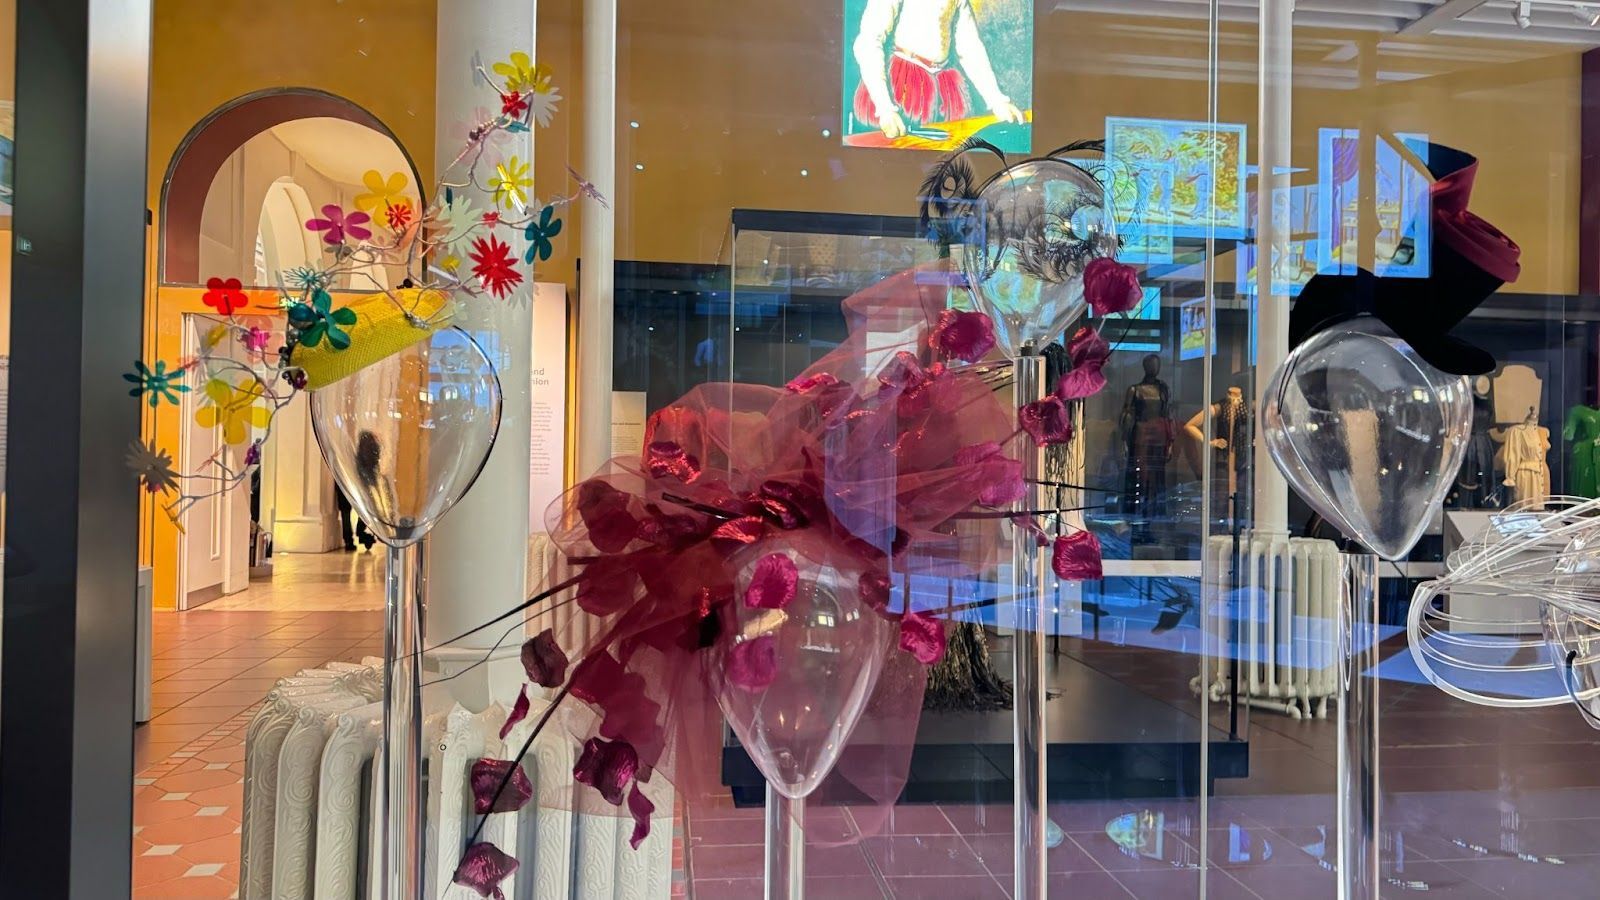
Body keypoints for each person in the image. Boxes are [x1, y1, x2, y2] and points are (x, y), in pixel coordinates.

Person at [852, 0, 1026, 140]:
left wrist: (997, 100)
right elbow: (869, 40)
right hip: (903, 87)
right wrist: (885, 108)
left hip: (945, 89)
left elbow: (970, 47)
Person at [334, 486, 373, 551]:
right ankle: (359, 532)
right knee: (362, 507)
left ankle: (349, 540)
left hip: (343, 484)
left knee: (346, 512)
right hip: (356, 484)